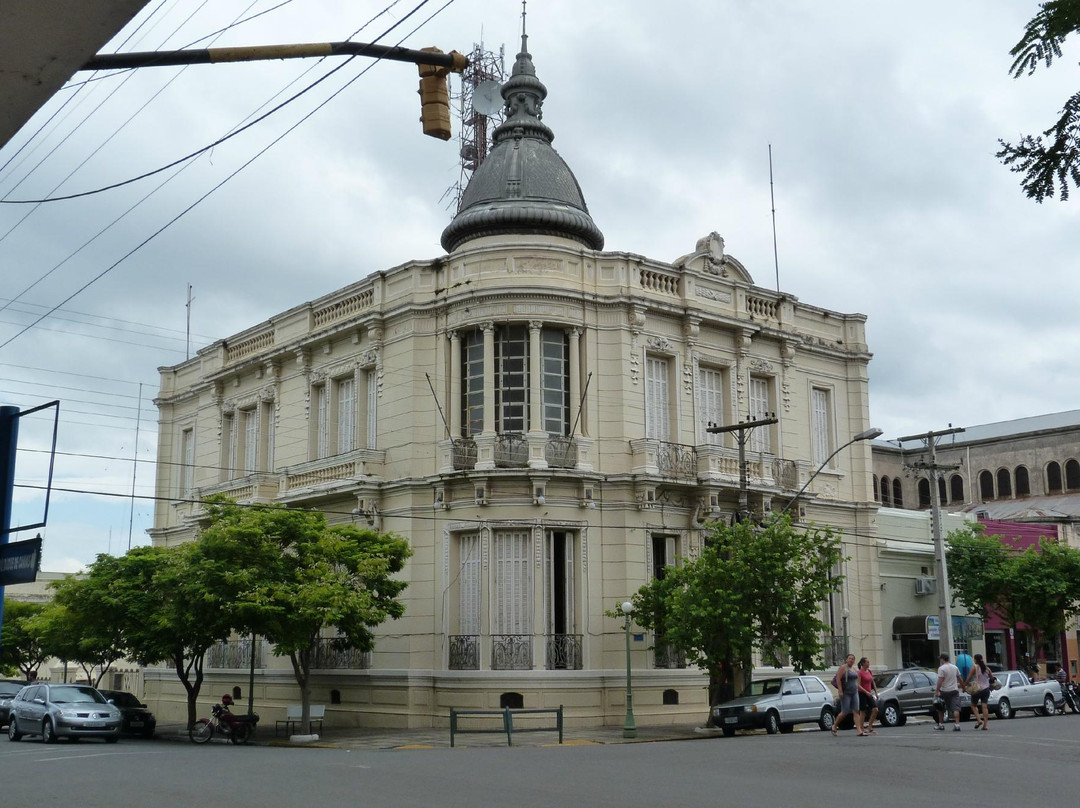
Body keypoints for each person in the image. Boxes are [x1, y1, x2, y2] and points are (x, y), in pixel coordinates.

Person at [832, 653, 866, 736]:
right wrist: (840, 690)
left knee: (856, 711)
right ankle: (835, 725)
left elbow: (856, 681)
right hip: (846, 693)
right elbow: (838, 678)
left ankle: (859, 730)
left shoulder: (854, 669)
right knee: (845, 712)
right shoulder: (843, 667)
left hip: (854, 692)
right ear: (846, 660)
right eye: (850, 658)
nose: (851, 660)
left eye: (853, 659)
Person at [962, 653, 993, 730]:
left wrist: (964, 686)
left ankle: (979, 720)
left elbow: (968, 679)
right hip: (986, 689)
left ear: (975, 659)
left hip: (977, 689)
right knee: (984, 707)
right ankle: (985, 725)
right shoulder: (987, 668)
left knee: (973, 705)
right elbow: (992, 678)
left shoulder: (974, 668)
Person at [933, 653, 962, 731]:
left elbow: (940, 680)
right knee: (956, 708)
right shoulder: (955, 667)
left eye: (940, 659)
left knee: (940, 707)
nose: (940, 661)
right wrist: (963, 686)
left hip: (944, 691)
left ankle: (941, 724)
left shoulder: (941, 668)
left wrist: (937, 690)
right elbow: (959, 678)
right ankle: (957, 724)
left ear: (942, 659)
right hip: (954, 690)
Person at [857, 657, 879, 733]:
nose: (868, 664)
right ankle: (861, 728)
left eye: (868, 662)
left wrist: (876, 692)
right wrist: (866, 692)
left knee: (875, 709)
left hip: (869, 693)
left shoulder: (869, 671)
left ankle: (870, 726)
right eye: (867, 662)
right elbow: (858, 685)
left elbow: (872, 682)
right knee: (863, 711)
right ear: (863, 663)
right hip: (862, 693)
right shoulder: (860, 672)